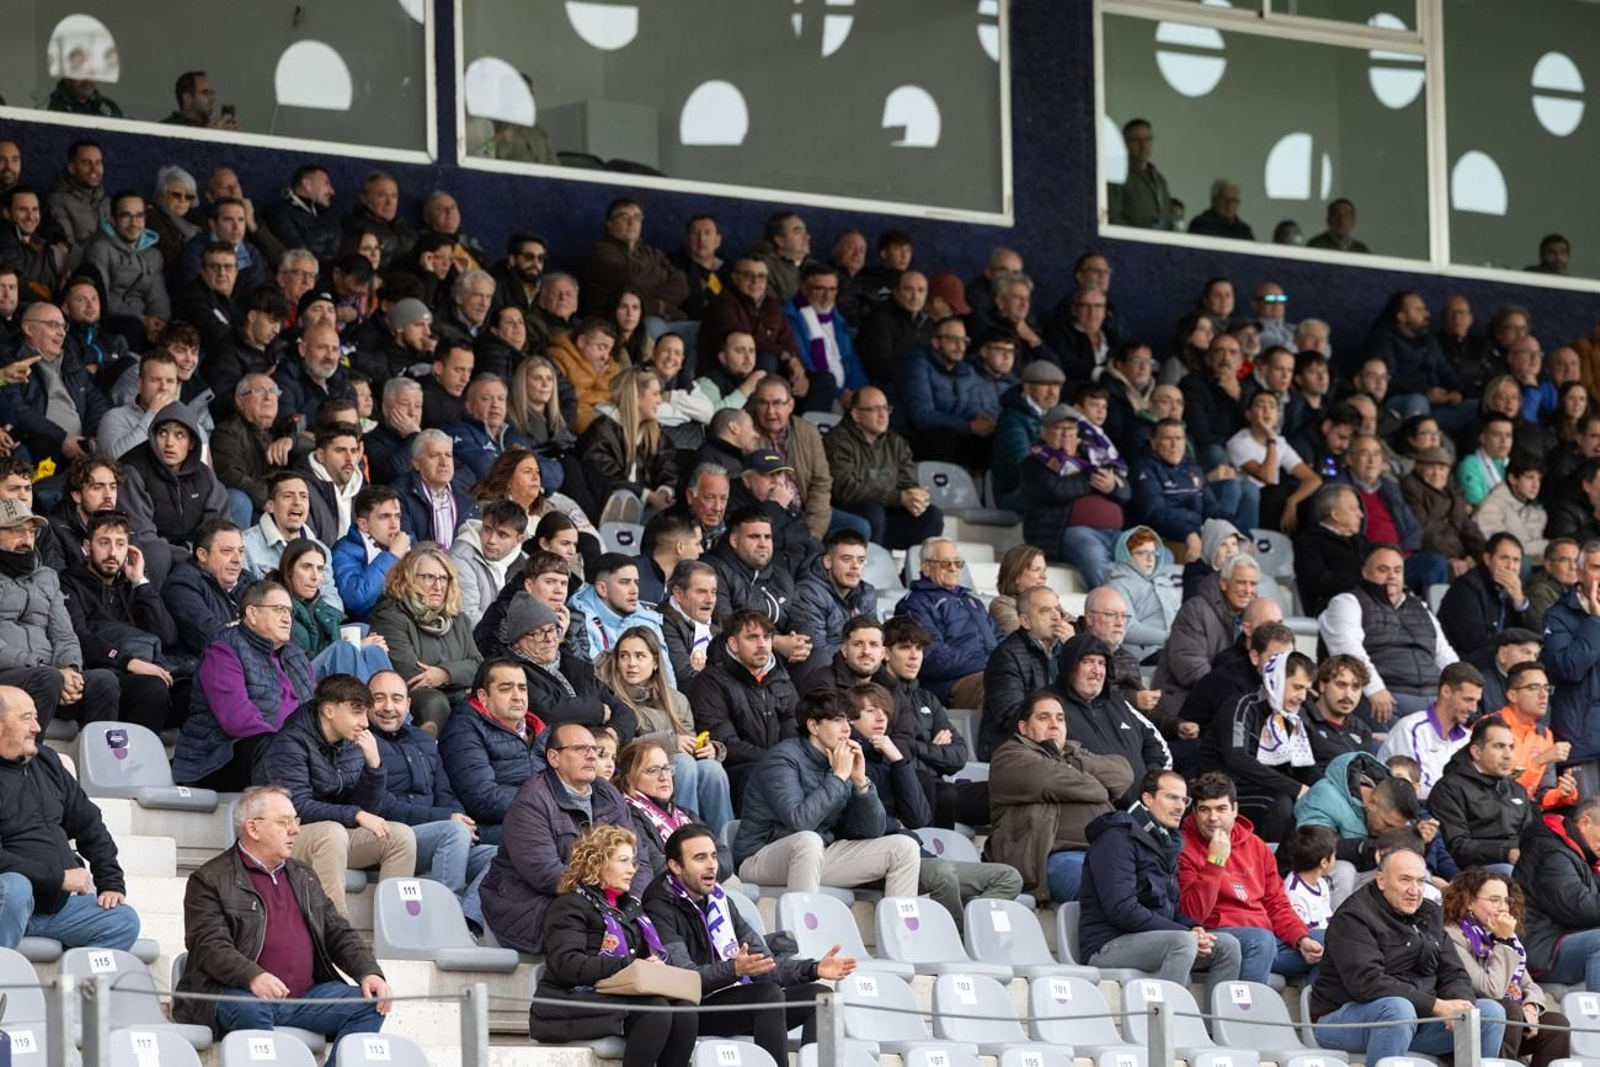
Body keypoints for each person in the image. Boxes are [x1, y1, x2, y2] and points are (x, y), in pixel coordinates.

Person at [174, 785, 390, 1045]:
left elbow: (338, 932)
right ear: (253, 828)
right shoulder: (209, 879)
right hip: (237, 994)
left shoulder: (303, 875)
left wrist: (369, 972)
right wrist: (252, 976)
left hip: (304, 998)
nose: (295, 829)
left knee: (371, 1004)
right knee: (252, 1010)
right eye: (283, 822)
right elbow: (210, 946)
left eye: (295, 821)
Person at [644, 823, 844, 1065]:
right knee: (767, 995)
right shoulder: (659, 906)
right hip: (695, 1008)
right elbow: (684, 978)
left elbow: (765, 964)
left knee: (822, 998)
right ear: (675, 866)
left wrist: (813, 969)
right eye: (699, 858)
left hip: (734, 998)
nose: (711, 865)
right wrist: (735, 969)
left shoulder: (720, 900)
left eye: (713, 856)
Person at [1310, 847, 1504, 1061]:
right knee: (1398, 1010)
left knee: (1489, 1014)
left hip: (1417, 1019)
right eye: (1405, 880)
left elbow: (1454, 972)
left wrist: (1461, 1006)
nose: (1414, 890)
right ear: (1381, 880)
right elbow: (1367, 983)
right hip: (1345, 1018)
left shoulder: (1431, 913)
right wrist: (1436, 1006)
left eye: (1420, 881)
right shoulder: (1353, 916)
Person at [525, 825, 696, 1067]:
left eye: (633, 862)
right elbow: (567, 966)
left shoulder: (630, 909)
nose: (632, 869)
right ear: (597, 863)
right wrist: (630, 966)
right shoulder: (569, 905)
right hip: (567, 1002)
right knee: (656, 1010)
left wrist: (654, 966)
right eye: (623, 861)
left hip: (616, 996)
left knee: (685, 1011)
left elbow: (644, 960)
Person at [252, 675, 418, 916]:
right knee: (331, 833)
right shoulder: (288, 743)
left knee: (401, 836)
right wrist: (355, 814)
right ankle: (337, 936)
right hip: (281, 835)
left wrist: (374, 768)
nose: (364, 723)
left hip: (332, 838)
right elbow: (296, 807)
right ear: (329, 710)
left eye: (365, 714)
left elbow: (365, 810)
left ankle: (395, 935)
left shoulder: (351, 745)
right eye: (356, 713)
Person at [731, 689, 922, 898]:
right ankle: (803, 927)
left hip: (818, 853)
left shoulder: (839, 760)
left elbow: (873, 830)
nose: (846, 729)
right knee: (808, 841)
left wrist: (860, 783)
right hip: (760, 857)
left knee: (905, 848)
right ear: (813, 726)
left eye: (848, 721)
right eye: (838, 720)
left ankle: (899, 929)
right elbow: (800, 822)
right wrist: (838, 777)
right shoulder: (782, 759)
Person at [480, 721, 645, 954]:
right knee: (590, 921)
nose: (591, 756)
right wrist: (607, 897)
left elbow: (639, 856)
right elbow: (546, 874)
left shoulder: (607, 792)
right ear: (554, 758)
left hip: (599, 896)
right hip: (531, 905)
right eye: (580, 749)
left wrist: (633, 900)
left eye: (594, 750)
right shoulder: (532, 801)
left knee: (658, 910)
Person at [1079, 769, 1243, 1000]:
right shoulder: (1116, 837)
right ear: (1148, 799)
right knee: (1182, 942)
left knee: (1227, 945)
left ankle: (1213, 1029)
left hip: (1155, 940)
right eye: (1171, 797)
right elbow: (1122, 910)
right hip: (1108, 944)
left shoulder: (1164, 841)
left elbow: (1170, 909)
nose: (1179, 806)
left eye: (1184, 800)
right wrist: (1185, 933)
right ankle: (1164, 1028)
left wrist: (1194, 927)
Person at [0, 684, 139, 950]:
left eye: (36, 718)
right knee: (15, 888)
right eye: (26, 718)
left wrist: (110, 881)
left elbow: (89, 822)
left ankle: (73, 991)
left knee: (123, 920)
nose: (37, 728)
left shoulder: (47, 761)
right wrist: (58, 878)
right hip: (9, 902)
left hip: (55, 909)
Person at [985, 690, 1133, 904]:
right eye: (1044, 717)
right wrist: (1100, 786)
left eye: (1060, 718)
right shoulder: (1010, 756)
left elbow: (1122, 773)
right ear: (1024, 728)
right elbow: (1056, 781)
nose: (1054, 724)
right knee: (1105, 889)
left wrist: (1071, 764)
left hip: (1108, 851)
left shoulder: (1073, 753)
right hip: (1055, 857)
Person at [1179, 772, 1324, 985]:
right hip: (1219, 939)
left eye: (1221, 809)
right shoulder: (1182, 846)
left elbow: (1276, 904)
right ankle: (1241, 1016)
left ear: (1235, 809)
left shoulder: (1256, 846)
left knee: (1330, 941)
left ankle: (1317, 1017)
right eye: (1204, 810)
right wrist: (1215, 862)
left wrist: (1300, 938)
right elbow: (1192, 913)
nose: (1213, 818)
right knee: (1260, 941)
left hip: (1266, 941)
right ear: (1194, 811)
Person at [173, 580, 316, 789]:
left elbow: (314, 712)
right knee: (270, 748)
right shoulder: (224, 649)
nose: (287, 618)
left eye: (289, 611)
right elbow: (238, 720)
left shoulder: (296, 656)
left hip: (288, 753)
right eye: (278, 610)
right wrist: (293, 746)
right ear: (252, 613)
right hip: (220, 758)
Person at [0, 498, 121, 733]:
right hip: (10, 676)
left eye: (31, 532)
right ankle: (26, 766)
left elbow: (64, 633)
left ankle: (99, 766)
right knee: (47, 680)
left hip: (51, 676)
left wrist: (70, 670)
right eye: (16, 531)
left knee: (104, 682)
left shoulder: (47, 577)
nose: (26, 540)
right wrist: (48, 669)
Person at [597, 627, 733, 833]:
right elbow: (616, 748)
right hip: (633, 772)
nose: (631, 663)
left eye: (639, 656)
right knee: (683, 763)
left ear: (654, 663)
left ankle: (723, 843)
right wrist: (669, 742)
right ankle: (683, 836)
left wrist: (709, 748)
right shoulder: (610, 699)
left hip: (674, 766)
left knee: (712, 770)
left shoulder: (676, 699)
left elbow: (690, 739)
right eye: (624, 656)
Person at [58, 512, 179, 732]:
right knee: (152, 688)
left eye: (120, 544)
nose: (113, 552)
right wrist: (127, 661)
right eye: (104, 543)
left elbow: (167, 636)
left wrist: (140, 582)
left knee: (193, 690)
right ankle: (131, 763)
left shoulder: (131, 586)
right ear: (87, 546)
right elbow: (80, 637)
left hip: (137, 671)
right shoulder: (69, 584)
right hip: (100, 674)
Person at [1441, 868, 1571, 1067]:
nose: (1503, 908)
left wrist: (1531, 1006)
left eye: (1506, 901)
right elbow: (1490, 990)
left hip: (1512, 1020)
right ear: (1468, 902)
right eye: (1494, 900)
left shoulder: (1502, 936)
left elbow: (1531, 986)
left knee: (1556, 1024)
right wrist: (1502, 941)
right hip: (1477, 1021)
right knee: (1508, 1009)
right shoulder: (1452, 935)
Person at [1321, 544, 1460, 722]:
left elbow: (1444, 654)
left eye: (1397, 570)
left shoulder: (1421, 607)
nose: (1392, 576)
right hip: (1388, 698)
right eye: (1383, 569)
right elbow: (1349, 650)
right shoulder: (1347, 602)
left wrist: (1462, 688)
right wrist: (1375, 689)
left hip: (1435, 698)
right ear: (1365, 573)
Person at [367, 546, 482, 734]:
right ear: (408, 579)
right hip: (414, 700)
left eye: (443, 578)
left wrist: (444, 674)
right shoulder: (391, 616)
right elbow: (412, 675)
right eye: (429, 577)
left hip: (457, 696)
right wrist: (461, 675)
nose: (438, 586)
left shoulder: (458, 619)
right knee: (434, 702)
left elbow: (478, 666)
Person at [687, 610, 799, 801]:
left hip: (781, 765)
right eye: (752, 637)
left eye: (767, 637)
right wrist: (777, 760)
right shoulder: (710, 681)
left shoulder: (780, 677)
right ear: (733, 644)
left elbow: (796, 728)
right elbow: (725, 744)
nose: (762, 644)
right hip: (736, 773)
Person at [1211, 650, 1319, 843]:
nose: (1302, 696)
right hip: (1223, 791)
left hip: (1266, 788)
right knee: (1281, 803)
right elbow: (1237, 758)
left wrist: (1328, 791)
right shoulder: (1242, 706)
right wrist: (1295, 788)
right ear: (1276, 680)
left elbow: (1305, 768)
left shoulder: (1293, 718)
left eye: (1306, 690)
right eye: (1297, 687)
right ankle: (1267, 866)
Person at [1021, 405, 1131, 587]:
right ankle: (1108, 606)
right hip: (1069, 533)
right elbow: (1056, 490)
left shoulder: (1093, 457)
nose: (1066, 433)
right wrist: (1092, 479)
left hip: (1114, 533)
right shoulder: (1035, 462)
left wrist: (1112, 487)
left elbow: (1126, 491)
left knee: (1154, 551)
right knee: (1092, 553)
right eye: (1058, 428)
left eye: (1071, 428)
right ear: (1044, 432)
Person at [1295, 751, 1421, 905]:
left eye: (1395, 829)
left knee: (1411, 872)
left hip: (1362, 870)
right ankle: (1339, 927)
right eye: (1387, 825)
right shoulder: (1324, 797)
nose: (1389, 832)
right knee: (1344, 871)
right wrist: (1366, 848)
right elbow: (1313, 847)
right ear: (1373, 803)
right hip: (1309, 870)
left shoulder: (1392, 803)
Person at [438, 659, 541, 845]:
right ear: (483, 697)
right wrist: (546, 804)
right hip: (488, 830)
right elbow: (483, 799)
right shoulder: (464, 729)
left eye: (522, 688)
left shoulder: (540, 730)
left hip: (538, 818)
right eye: (506, 688)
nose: (518, 696)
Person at [824, 386, 942, 549]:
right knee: (873, 511)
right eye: (875, 409)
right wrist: (898, 498)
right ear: (856, 414)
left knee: (932, 515)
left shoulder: (896, 443)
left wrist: (916, 496)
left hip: (887, 517)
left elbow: (907, 484)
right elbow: (845, 490)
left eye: (886, 408)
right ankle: (869, 568)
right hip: (851, 514)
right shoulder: (837, 440)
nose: (883, 415)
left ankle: (914, 570)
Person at [895, 537, 1002, 707]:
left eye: (958, 563)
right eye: (945, 563)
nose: (953, 568)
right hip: (950, 684)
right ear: (925, 567)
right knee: (1000, 686)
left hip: (991, 671)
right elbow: (933, 657)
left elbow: (1001, 640)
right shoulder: (915, 604)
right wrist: (991, 663)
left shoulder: (973, 602)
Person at [1153, 554, 1260, 712]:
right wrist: (1233, 694)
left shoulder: (1253, 615)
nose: (1248, 590)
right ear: (1223, 583)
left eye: (1253, 584)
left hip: (1229, 701)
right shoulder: (1195, 610)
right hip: (1183, 704)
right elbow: (1189, 667)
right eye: (1241, 582)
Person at [1515, 794, 1600, 994]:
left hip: (1562, 937)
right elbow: (1580, 909)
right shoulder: (1551, 852)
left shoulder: (1574, 852)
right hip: (1543, 946)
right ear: (1586, 822)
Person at [980, 586, 1072, 761]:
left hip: (1059, 743)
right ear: (1025, 621)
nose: (1056, 617)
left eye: (1058, 609)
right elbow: (1010, 716)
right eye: (1045, 610)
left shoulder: (1065, 650)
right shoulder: (1007, 655)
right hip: (1014, 748)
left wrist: (1073, 653)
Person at [1375, 663, 1485, 798]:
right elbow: (1417, 790)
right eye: (1468, 700)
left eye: (1476, 701)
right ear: (1446, 691)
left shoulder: (1468, 738)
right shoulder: (1411, 729)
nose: (1473, 709)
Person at [578, 367, 678, 514]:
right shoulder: (602, 429)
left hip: (646, 508)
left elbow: (667, 464)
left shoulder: (653, 432)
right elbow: (607, 478)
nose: (660, 400)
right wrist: (648, 496)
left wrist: (665, 490)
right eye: (655, 394)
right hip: (605, 510)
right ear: (636, 397)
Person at [789, 530, 876, 666]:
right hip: (819, 674)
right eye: (846, 559)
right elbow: (817, 653)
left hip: (855, 667)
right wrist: (863, 653)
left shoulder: (867, 593)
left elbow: (874, 640)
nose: (855, 566)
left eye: (861, 560)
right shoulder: (809, 593)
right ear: (828, 561)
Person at [1438, 534, 1531, 658]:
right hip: (1467, 666)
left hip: (1503, 660)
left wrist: (1520, 601)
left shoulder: (1514, 590)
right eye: (1504, 558)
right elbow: (1475, 643)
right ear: (1487, 559)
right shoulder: (1465, 588)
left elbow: (1534, 635)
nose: (1510, 567)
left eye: (1516, 560)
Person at [332, 487, 411, 622]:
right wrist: (392, 557)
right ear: (363, 524)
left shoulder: (408, 545)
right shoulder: (344, 551)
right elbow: (356, 600)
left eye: (397, 516)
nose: (394, 525)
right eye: (384, 517)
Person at [1104, 526, 1179, 663]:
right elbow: (1129, 629)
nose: (1150, 558)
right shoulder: (1117, 585)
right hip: (1143, 656)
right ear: (1126, 555)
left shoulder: (1162, 581)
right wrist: (1171, 638)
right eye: (1142, 553)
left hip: (1172, 647)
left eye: (1153, 553)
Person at [393, 430, 478, 550]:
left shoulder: (467, 493)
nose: (444, 463)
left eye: (448, 455)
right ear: (416, 463)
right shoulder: (398, 495)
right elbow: (407, 545)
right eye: (434, 455)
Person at [449, 499, 527, 628]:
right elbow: (468, 616)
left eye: (502, 535)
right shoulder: (461, 556)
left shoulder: (525, 564)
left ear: (518, 540)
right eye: (487, 530)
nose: (491, 540)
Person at [1305, 656, 1378, 770]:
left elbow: (1372, 773)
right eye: (1341, 685)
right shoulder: (1301, 719)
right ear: (1322, 686)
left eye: (1356, 687)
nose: (1348, 695)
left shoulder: (1362, 730)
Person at [659, 560, 719, 688]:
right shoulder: (664, 624)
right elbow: (685, 677)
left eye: (713, 592)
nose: (709, 600)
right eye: (701, 592)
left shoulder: (718, 623)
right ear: (678, 594)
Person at [1306, 198, 1371, 254]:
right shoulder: (1316, 246)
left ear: (1353, 221)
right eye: (1336, 215)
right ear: (1328, 220)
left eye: (1346, 215)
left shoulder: (1361, 250)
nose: (1342, 220)